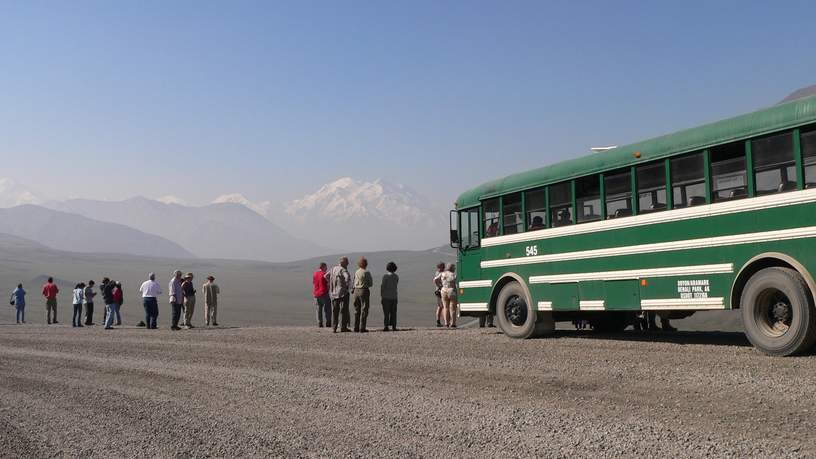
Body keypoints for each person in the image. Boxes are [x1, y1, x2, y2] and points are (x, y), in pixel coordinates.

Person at [326, 257, 351, 333]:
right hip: (343, 293)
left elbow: (326, 276)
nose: (348, 264)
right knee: (344, 310)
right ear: (344, 263)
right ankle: (343, 327)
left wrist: (331, 283)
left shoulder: (333, 269)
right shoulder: (343, 270)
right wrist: (347, 285)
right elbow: (347, 277)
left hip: (333, 293)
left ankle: (334, 328)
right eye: (347, 262)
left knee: (335, 311)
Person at [352, 257, 373, 333]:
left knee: (356, 309)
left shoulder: (356, 271)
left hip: (356, 291)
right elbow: (371, 284)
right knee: (364, 309)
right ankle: (362, 327)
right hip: (363, 290)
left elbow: (353, 281)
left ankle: (356, 327)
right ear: (366, 264)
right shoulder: (366, 272)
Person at [380, 261, 399, 332]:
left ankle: (386, 326)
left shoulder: (385, 276)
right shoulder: (396, 276)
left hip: (386, 297)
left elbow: (383, 286)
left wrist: (381, 295)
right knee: (393, 312)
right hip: (394, 296)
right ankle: (394, 326)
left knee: (386, 313)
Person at [312, 263, 331, 328]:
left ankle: (319, 323)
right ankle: (328, 323)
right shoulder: (324, 274)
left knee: (318, 309)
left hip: (316, 294)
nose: (326, 268)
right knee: (327, 309)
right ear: (323, 267)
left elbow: (314, 283)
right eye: (326, 267)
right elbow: (328, 283)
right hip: (324, 293)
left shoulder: (315, 274)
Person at [440, 263, 458, 328]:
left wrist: (439, 286)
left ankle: (446, 323)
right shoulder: (453, 275)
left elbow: (435, 280)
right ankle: (453, 323)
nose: (455, 269)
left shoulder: (442, 274)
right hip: (451, 290)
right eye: (454, 268)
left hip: (443, 290)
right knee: (452, 308)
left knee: (445, 307)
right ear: (452, 268)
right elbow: (456, 283)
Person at [433, 263, 445, 327]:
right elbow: (435, 281)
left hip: (438, 291)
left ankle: (439, 321)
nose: (443, 268)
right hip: (440, 291)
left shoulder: (437, 273)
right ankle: (445, 321)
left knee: (440, 307)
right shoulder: (440, 273)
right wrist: (440, 287)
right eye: (442, 267)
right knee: (442, 306)